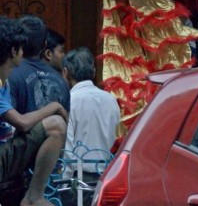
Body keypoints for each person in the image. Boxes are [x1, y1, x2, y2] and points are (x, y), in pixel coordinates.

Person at [0, 15, 68, 206]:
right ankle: (33, 197)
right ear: (14, 51)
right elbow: (21, 122)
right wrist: (54, 107)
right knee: (56, 125)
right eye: (20, 48)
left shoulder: (5, 82)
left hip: (8, 155)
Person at [61, 47, 120, 206]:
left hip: (78, 181)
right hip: (104, 177)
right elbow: (114, 137)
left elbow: (68, 148)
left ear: (65, 73)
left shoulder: (70, 101)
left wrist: (64, 182)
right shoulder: (110, 100)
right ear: (93, 71)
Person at [8, 15, 70, 114]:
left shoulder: (9, 76)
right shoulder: (62, 82)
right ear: (45, 45)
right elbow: (65, 123)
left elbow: (7, 126)